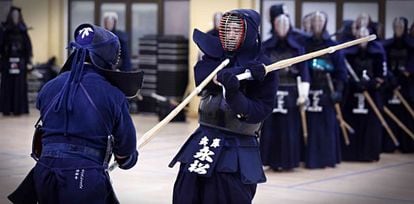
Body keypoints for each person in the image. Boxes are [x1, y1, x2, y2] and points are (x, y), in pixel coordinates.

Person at [8, 24, 141, 204]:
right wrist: (128, 159)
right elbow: (125, 153)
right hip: (84, 178)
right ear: (107, 57)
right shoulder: (113, 95)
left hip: (43, 174)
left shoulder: (49, 88)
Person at [169, 9, 277, 204]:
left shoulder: (263, 68)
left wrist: (236, 93)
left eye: (237, 30)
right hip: (204, 137)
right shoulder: (214, 58)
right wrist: (234, 74)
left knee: (226, 194)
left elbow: (259, 111)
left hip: (237, 146)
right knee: (186, 191)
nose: (231, 35)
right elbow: (203, 79)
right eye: (228, 30)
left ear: (250, 32)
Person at [260, 13, 309, 171]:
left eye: (285, 24)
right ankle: (271, 161)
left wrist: (303, 95)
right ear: (274, 26)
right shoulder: (266, 46)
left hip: (291, 92)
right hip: (271, 92)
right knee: (271, 128)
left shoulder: (297, 48)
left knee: (290, 129)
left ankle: (289, 161)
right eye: (279, 24)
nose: (281, 27)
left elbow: (304, 73)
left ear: (289, 27)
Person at [303, 11, 346, 168]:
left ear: (325, 23)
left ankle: (328, 158)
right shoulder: (305, 44)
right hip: (309, 89)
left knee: (326, 126)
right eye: (315, 21)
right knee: (311, 126)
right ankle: (310, 159)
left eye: (321, 20)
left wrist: (338, 92)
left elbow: (341, 72)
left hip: (327, 90)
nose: (318, 23)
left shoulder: (332, 45)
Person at [342, 27, 387, 161]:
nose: (362, 37)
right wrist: (354, 84)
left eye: (365, 35)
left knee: (371, 126)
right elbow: (345, 75)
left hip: (371, 94)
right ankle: (351, 154)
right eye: (360, 35)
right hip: (353, 95)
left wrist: (371, 84)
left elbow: (381, 76)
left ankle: (369, 154)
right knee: (353, 121)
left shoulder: (377, 53)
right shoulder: (348, 54)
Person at [382, 17, 414, 153]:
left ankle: (407, 145)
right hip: (391, 84)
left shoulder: (411, 45)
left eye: (400, 27)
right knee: (390, 114)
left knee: (406, 115)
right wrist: (391, 79)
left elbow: (411, 66)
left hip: (406, 85)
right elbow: (384, 63)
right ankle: (389, 144)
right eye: (396, 27)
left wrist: (404, 75)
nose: (398, 29)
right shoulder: (387, 45)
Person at [0, 6, 32, 116]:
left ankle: (19, 109)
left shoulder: (23, 30)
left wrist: (28, 62)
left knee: (19, 86)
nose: (15, 17)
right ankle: (7, 109)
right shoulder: (5, 30)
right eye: (13, 15)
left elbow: (28, 47)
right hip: (7, 62)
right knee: (7, 85)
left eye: (17, 15)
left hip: (20, 62)